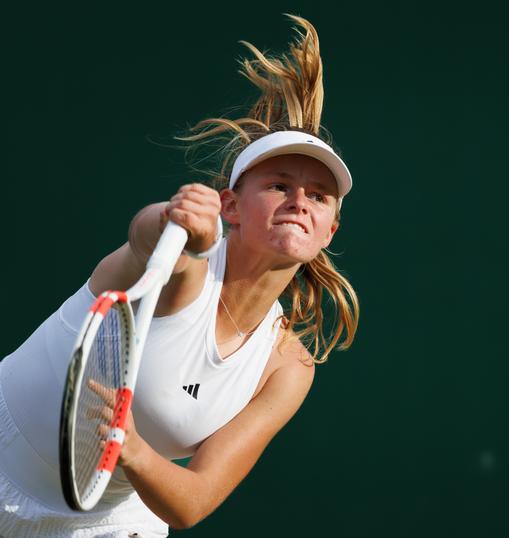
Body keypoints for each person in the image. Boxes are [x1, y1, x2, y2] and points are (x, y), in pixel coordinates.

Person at [0, 15, 358, 537]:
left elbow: (192, 502)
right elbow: (145, 241)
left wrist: (134, 450)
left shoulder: (288, 369)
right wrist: (173, 220)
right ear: (231, 206)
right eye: (279, 185)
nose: (300, 202)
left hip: (104, 520)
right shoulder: (184, 269)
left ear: (329, 231)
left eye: (319, 197)